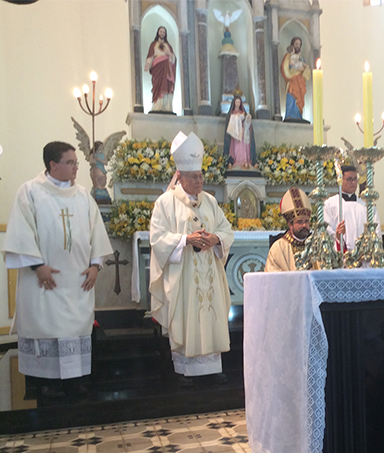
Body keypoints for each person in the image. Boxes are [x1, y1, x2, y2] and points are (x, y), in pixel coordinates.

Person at [1, 141, 113, 397]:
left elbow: (97, 233)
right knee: (45, 327)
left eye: (76, 162)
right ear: (53, 165)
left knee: (73, 331)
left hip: (77, 282)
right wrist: (38, 266)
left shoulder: (83, 196)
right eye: (70, 162)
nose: (76, 167)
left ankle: (73, 381)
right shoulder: (30, 192)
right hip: (43, 281)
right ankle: (46, 383)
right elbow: (21, 233)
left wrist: (96, 266)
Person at [149, 132, 234, 385]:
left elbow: (226, 229)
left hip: (210, 273)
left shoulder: (210, 201)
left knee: (211, 315)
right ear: (180, 177)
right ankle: (185, 369)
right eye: (194, 177)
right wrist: (186, 240)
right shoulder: (165, 203)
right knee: (186, 317)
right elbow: (157, 238)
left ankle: (212, 367)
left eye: (201, 176)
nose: (200, 181)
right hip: (183, 275)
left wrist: (215, 239)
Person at [324, 165, 381, 252]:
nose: (353, 182)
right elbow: (327, 231)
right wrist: (338, 239)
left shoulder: (367, 206)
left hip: (364, 255)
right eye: (349, 179)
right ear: (340, 180)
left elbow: (376, 231)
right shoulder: (330, 204)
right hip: (340, 253)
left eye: (355, 179)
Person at [264, 187, 312, 272]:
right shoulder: (278, 248)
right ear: (290, 225)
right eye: (299, 222)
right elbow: (272, 276)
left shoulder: (316, 245)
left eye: (306, 221)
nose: (304, 225)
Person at [144, 26, 176, 113]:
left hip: (167, 68)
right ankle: (157, 105)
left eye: (164, 32)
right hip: (157, 69)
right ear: (158, 32)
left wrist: (169, 54)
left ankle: (166, 106)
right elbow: (150, 56)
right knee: (158, 85)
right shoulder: (154, 44)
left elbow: (173, 59)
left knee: (166, 85)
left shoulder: (168, 45)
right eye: (161, 31)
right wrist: (148, 64)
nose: (162, 33)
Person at [280, 36, 310, 121]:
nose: (297, 46)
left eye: (299, 44)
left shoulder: (301, 58)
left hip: (299, 82)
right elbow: (285, 67)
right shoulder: (288, 56)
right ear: (292, 45)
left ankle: (298, 116)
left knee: (299, 99)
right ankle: (289, 115)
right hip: (292, 81)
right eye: (296, 44)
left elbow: (305, 72)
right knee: (291, 97)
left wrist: (305, 68)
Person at [223, 95, 256, 170]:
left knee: (243, 148)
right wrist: (236, 118)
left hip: (242, 134)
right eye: (236, 102)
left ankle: (243, 161)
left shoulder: (243, 113)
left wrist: (246, 121)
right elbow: (229, 125)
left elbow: (247, 122)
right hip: (234, 135)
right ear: (234, 103)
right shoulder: (231, 114)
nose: (237, 103)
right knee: (235, 149)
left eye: (239, 102)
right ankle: (234, 161)